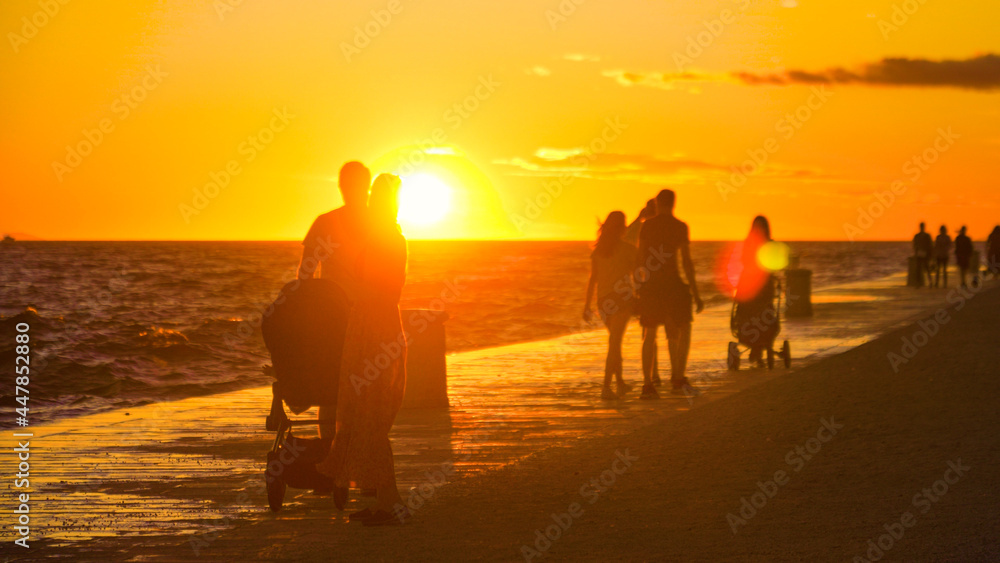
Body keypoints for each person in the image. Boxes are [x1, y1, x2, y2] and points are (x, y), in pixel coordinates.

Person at [317, 173, 409, 526]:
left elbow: (377, 286)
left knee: (370, 417)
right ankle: (384, 499)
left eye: (373, 196)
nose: (367, 201)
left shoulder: (385, 239)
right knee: (365, 416)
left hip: (373, 328)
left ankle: (389, 501)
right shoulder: (388, 237)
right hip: (372, 325)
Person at [299, 161, 371, 440]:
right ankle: (347, 452)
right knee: (354, 386)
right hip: (355, 316)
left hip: (337, 317)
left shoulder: (326, 222)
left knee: (333, 387)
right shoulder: (380, 224)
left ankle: (333, 452)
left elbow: (304, 274)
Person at [634, 189, 704, 398]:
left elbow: (640, 258)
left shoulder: (647, 226)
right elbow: (686, 262)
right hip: (673, 284)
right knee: (682, 329)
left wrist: (639, 284)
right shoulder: (680, 227)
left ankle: (648, 384)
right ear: (674, 203)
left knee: (650, 334)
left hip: (652, 286)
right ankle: (678, 377)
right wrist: (695, 292)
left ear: (657, 203)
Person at [583, 206, 650, 400]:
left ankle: (620, 383)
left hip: (603, 301)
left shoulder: (598, 251)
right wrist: (641, 297)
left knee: (615, 341)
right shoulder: (629, 249)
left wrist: (586, 306)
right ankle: (606, 387)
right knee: (614, 343)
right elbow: (638, 277)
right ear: (622, 227)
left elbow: (592, 280)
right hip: (622, 299)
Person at [734, 216, 777, 368]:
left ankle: (757, 347)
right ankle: (756, 347)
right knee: (750, 314)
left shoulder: (767, 244)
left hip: (763, 286)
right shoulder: (752, 244)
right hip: (750, 285)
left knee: (762, 313)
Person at [912, 222, 933, 288]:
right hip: (919, 254)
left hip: (926, 254)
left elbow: (930, 245)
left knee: (927, 269)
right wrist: (916, 252)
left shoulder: (927, 236)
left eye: (922, 227)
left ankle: (930, 282)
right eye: (921, 227)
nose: (922, 228)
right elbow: (915, 244)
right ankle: (918, 284)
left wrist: (930, 254)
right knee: (918, 269)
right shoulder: (917, 236)